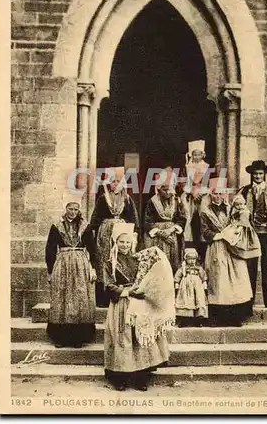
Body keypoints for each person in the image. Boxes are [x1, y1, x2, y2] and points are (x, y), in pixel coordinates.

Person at [104, 223, 174, 391]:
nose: (125, 246)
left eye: (128, 243)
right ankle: (120, 378)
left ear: (132, 244)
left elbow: (148, 275)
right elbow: (108, 286)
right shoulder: (110, 263)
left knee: (139, 340)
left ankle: (140, 378)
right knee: (123, 339)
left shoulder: (138, 259)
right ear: (116, 242)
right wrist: (128, 292)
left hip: (138, 303)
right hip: (121, 304)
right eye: (121, 242)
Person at [45, 193, 97, 348]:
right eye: (70, 208)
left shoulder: (84, 226)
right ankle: (60, 338)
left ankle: (78, 338)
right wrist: (50, 270)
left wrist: (92, 267)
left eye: (75, 209)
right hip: (63, 263)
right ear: (65, 208)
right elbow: (50, 249)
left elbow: (92, 249)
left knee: (79, 298)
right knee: (62, 298)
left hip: (81, 264)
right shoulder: (56, 225)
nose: (73, 212)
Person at [201, 179, 253, 327]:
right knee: (218, 281)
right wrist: (220, 235)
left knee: (234, 281)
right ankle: (216, 318)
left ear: (225, 194)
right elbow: (205, 231)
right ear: (211, 194)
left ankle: (233, 317)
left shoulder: (231, 208)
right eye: (215, 193)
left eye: (221, 193)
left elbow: (241, 224)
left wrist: (234, 233)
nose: (218, 196)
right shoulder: (205, 211)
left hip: (232, 247)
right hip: (217, 247)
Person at [90, 167, 140, 307]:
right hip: (105, 235)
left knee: (121, 260)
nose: (115, 184)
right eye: (113, 181)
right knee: (105, 261)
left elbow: (133, 218)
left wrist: (133, 233)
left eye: (118, 181)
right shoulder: (102, 198)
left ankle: (122, 293)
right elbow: (95, 218)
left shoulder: (127, 199)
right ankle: (103, 298)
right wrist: (94, 233)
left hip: (122, 233)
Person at [238, 160, 267, 309]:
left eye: (260, 174)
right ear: (252, 175)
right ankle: (248, 301)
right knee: (249, 266)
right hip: (250, 234)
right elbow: (236, 209)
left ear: (264, 175)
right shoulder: (245, 191)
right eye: (255, 174)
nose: (258, 176)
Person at [144, 167, 186, 274]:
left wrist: (171, 230)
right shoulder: (151, 202)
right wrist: (162, 234)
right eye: (164, 189)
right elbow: (147, 222)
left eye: (169, 189)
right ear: (158, 189)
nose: (167, 192)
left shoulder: (177, 200)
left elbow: (181, 219)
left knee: (173, 262)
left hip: (173, 235)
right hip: (158, 237)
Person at [181, 140, 210, 254]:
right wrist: (192, 191)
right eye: (194, 154)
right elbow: (183, 182)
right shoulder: (187, 167)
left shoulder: (206, 167)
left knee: (203, 219)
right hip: (189, 197)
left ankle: (202, 249)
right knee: (189, 220)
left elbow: (208, 183)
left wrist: (200, 192)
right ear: (191, 155)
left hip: (203, 196)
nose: (197, 157)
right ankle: (189, 248)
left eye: (199, 154)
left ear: (202, 154)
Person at [214, 194, 262, 261]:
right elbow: (230, 219)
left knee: (241, 241)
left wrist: (239, 229)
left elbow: (243, 222)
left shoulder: (244, 212)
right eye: (237, 204)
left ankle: (242, 252)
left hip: (243, 229)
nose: (240, 206)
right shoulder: (234, 210)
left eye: (241, 204)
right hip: (234, 226)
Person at [174, 248, 208, 327]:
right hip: (186, 287)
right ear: (186, 259)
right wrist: (177, 284)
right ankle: (185, 319)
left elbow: (203, 276)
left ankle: (198, 320)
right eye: (190, 259)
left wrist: (204, 284)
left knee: (198, 300)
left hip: (197, 286)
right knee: (186, 300)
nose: (192, 261)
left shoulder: (199, 268)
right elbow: (178, 276)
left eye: (194, 259)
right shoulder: (183, 268)